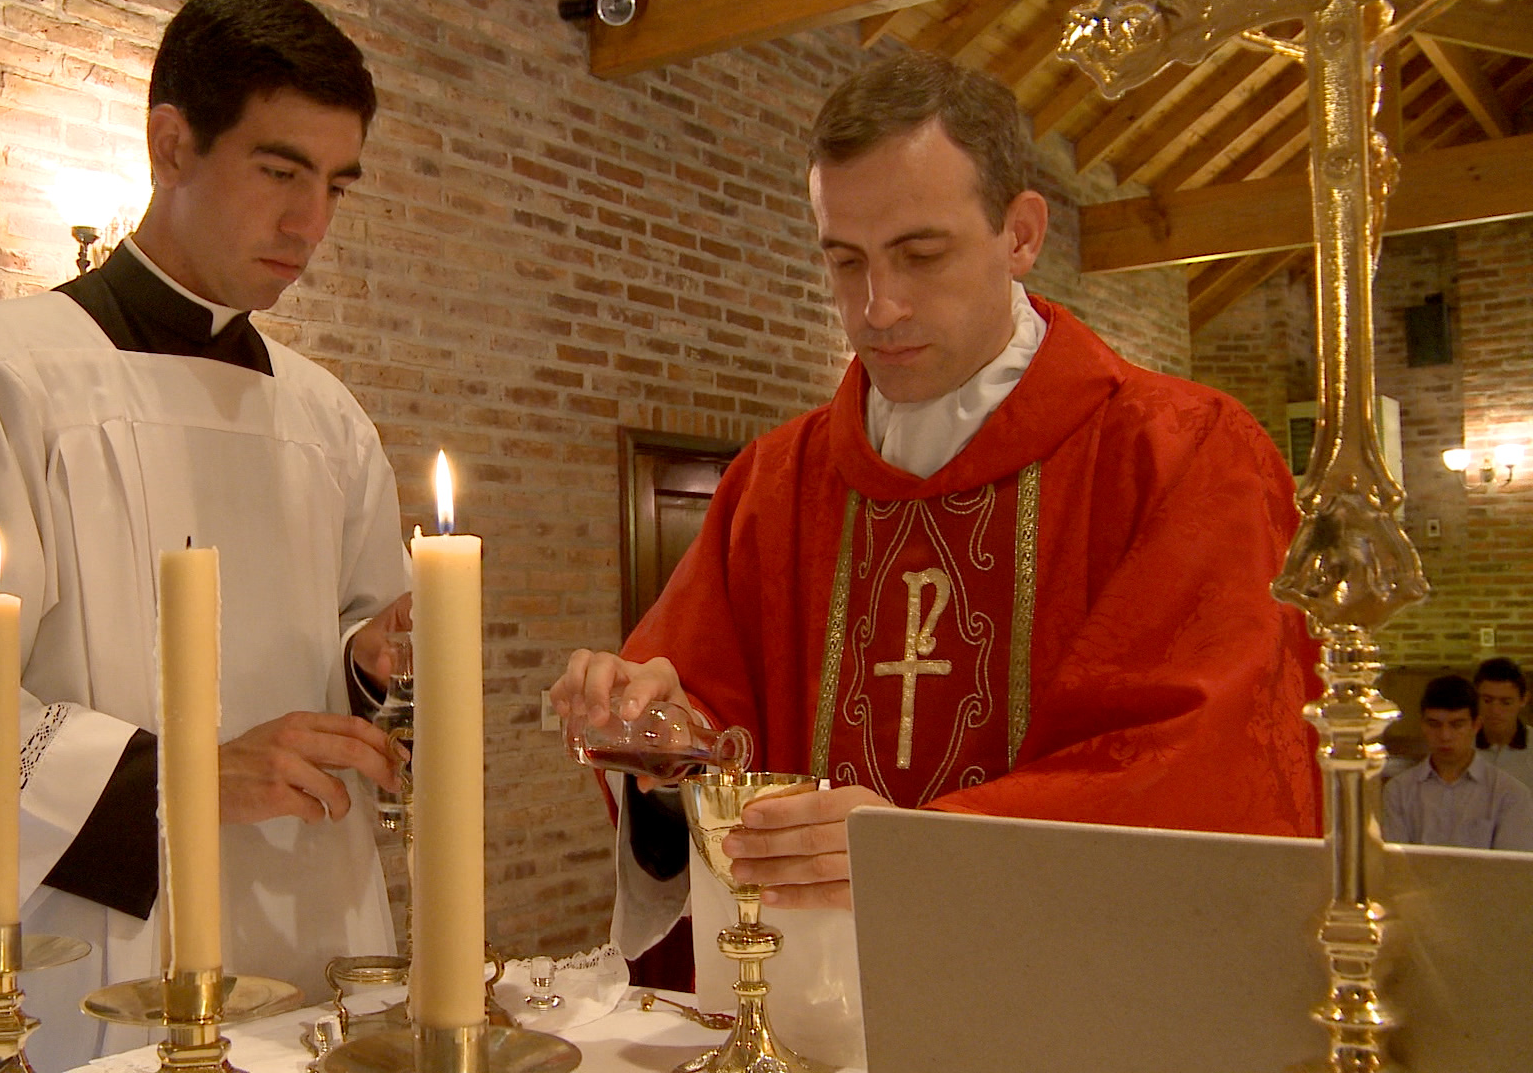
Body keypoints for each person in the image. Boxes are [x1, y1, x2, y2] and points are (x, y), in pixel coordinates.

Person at [551, 46, 1321, 961]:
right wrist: (663, 750)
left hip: (1065, 1015)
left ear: (1022, 233)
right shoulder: (774, 484)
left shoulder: (1185, 456)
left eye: (920, 255)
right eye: (846, 261)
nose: (877, 307)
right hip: (811, 1012)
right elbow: (711, 744)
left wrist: (917, 855)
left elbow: (1202, 771)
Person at [0, 0, 409, 1067]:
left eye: (336, 186)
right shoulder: (0, 368)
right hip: (94, 950)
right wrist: (181, 779)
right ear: (170, 141)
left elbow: (363, 645)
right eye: (281, 173)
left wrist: (373, 672)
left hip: (308, 923)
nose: (311, 224)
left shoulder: (326, 417)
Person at [1383, 676, 1533, 851]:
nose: (1445, 736)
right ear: (1422, 725)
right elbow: (1395, 866)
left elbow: (1510, 869)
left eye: (1456, 725)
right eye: (1435, 725)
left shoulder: (1510, 794)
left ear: (1476, 725)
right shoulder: (1398, 791)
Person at [1473, 656, 1533, 789]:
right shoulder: (1460, 745)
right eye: (1487, 700)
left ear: (1523, 700)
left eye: (1506, 702)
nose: (1495, 710)